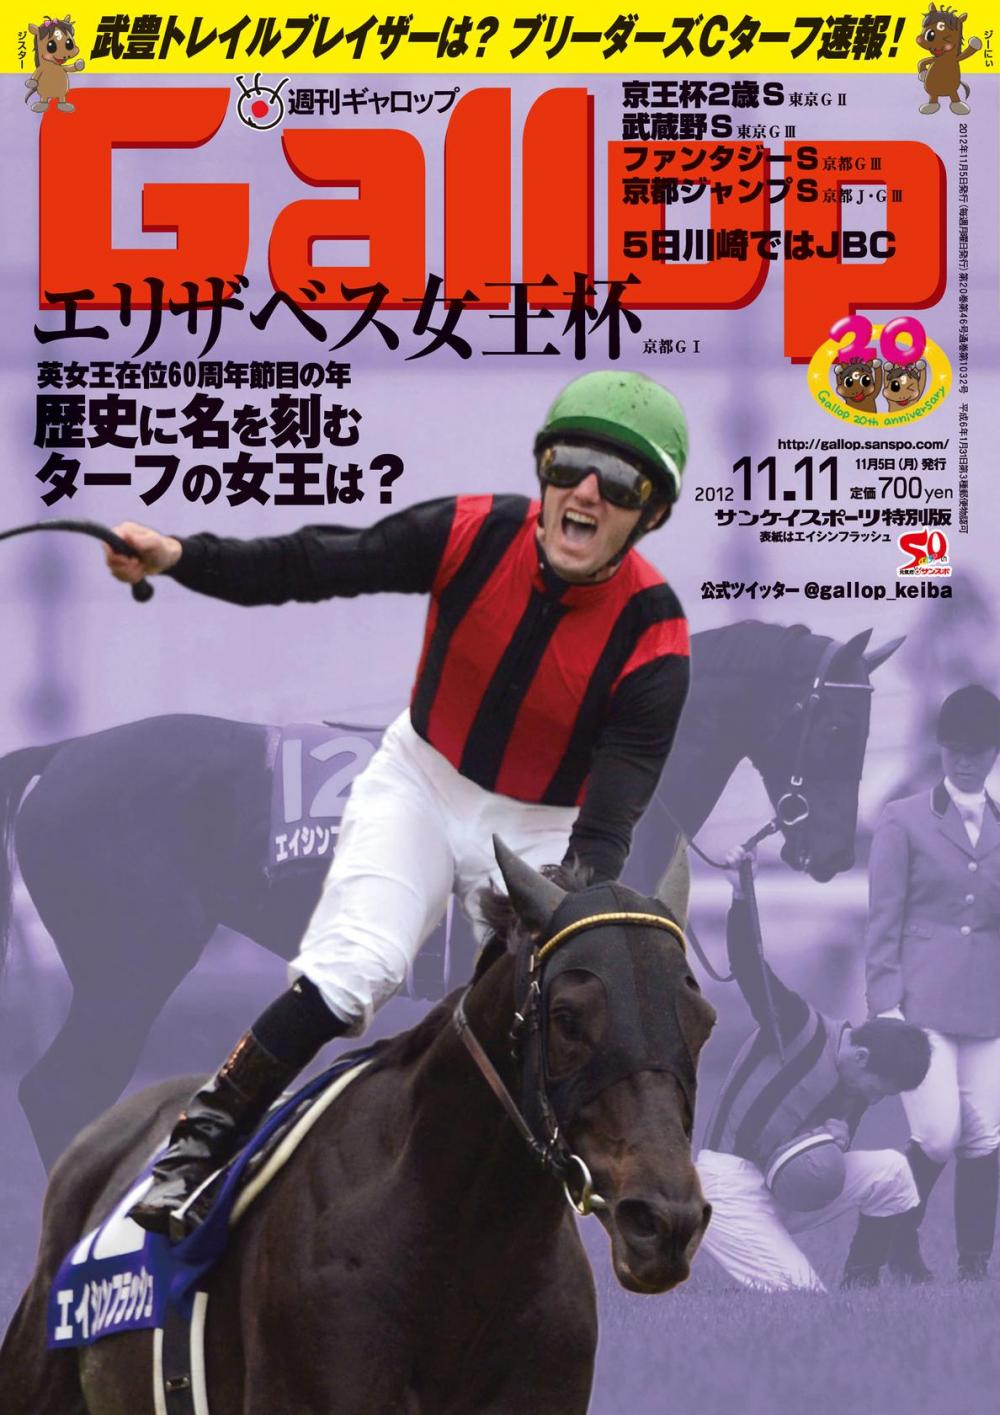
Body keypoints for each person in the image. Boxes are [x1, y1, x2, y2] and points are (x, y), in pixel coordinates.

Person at [104, 370, 693, 1237]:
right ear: (543, 470)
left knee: (549, 1000)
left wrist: (556, 930)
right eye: (569, 464)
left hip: (541, 822)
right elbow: (315, 561)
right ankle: (196, 1145)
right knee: (352, 973)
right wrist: (180, 556)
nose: (586, 492)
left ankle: (603, 1197)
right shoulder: (470, 533)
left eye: (620, 482)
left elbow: (605, 834)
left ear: (652, 514)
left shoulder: (655, 635)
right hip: (420, 778)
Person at [696, 851, 931, 1292]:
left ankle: (861, 1281)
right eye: (880, 1089)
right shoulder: (797, 1026)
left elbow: (816, 1169)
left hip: (783, 1183)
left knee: (893, 1171)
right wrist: (741, 896)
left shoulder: (856, 1084)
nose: (877, 1099)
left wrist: (836, 1141)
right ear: (861, 1057)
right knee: (804, 1297)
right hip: (728, 1186)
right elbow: (748, 965)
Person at [866, 684, 1000, 1282]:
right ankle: (885, 1248)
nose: (966, 762)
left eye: (978, 751)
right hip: (919, 1005)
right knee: (938, 1133)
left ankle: (974, 1267)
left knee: (986, 1136)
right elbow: (883, 919)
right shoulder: (904, 818)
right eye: (955, 750)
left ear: (994, 753)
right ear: (942, 749)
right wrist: (885, 1006)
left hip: (988, 1007)